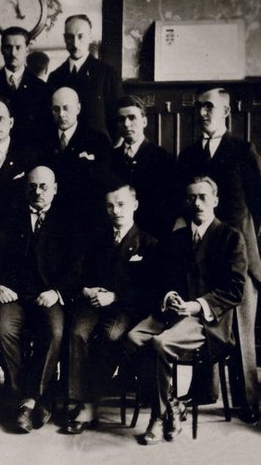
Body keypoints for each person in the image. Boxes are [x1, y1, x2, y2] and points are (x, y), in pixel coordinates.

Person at [127, 176, 246, 444]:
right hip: (173, 313)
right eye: (192, 198)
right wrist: (169, 296)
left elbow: (235, 289)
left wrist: (196, 305)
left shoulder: (231, 237)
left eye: (203, 197)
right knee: (133, 337)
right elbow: (163, 278)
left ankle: (158, 417)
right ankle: (173, 405)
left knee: (160, 344)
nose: (197, 203)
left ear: (215, 200)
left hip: (207, 322)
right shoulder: (176, 238)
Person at [175, 88, 261, 423]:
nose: (202, 113)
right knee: (202, 319)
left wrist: (250, 246)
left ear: (226, 111)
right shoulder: (188, 155)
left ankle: (248, 401)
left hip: (239, 254)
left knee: (240, 328)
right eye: (199, 107)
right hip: (200, 254)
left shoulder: (242, 150)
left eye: (209, 107)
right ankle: (204, 391)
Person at [66, 184, 158, 434]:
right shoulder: (97, 238)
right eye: (110, 206)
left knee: (110, 336)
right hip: (94, 303)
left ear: (134, 205)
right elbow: (79, 272)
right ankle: (79, 400)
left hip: (126, 307)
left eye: (121, 205)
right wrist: (86, 289)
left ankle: (91, 402)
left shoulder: (148, 243)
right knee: (77, 333)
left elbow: (149, 289)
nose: (116, 211)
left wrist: (116, 296)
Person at [0, 166, 78, 434]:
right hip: (16, 295)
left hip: (49, 296)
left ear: (55, 189)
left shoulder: (68, 220)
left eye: (43, 186)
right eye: (32, 186)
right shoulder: (10, 217)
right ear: (25, 189)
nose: (37, 191)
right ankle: (29, 397)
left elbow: (78, 265)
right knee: (2, 328)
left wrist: (57, 291)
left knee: (54, 331)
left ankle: (29, 400)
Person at [43, 86, 112, 230]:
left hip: (85, 218)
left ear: (78, 109)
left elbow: (104, 183)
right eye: (56, 109)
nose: (61, 114)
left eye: (66, 108)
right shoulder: (42, 140)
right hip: (51, 217)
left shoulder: (97, 140)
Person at [48, 15, 123, 142]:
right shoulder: (55, 77)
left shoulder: (106, 73)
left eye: (80, 36)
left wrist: (111, 146)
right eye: (70, 37)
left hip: (98, 147)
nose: (75, 43)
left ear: (90, 37)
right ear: (65, 39)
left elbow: (118, 114)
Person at [110, 95, 174, 239]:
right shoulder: (111, 158)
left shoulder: (162, 158)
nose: (126, 124)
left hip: (153, 237)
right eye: (121, 119)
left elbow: (169, 206)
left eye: (132, 118)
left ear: (144, 121)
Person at [0, 26, 51, 137]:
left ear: (27, 50)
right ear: (2, 49)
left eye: (18, 47)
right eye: (8, 47)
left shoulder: (41, 88)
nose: (13, 53)